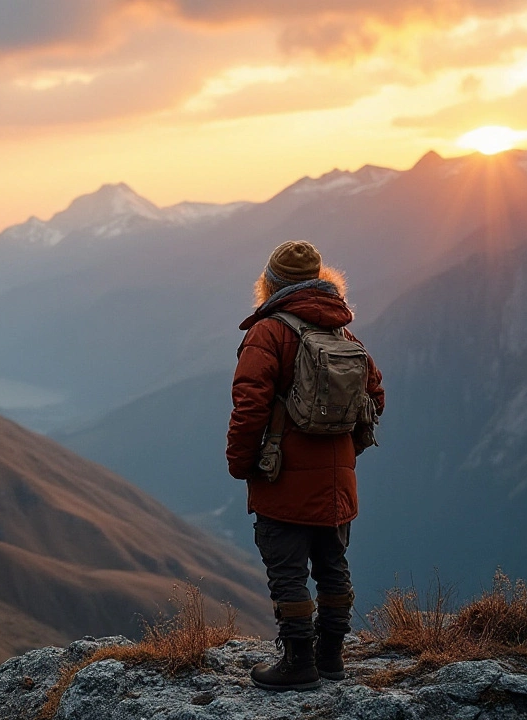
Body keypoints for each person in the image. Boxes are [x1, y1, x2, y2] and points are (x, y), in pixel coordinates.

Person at [225, 240, 385, 691]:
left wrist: (241, 462)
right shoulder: (343, 333)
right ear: (322, 278)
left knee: (288, 572)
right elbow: (376, 399)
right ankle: (330, 657)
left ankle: (298, 663)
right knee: (333, 564)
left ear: (270, 283)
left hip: (283, 479)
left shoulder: (269, 332)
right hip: (338, 481)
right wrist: (343, 449)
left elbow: (250, 405)